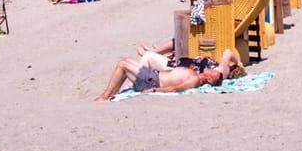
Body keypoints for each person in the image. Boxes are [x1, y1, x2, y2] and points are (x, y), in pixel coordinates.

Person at [96, 54, 228, 100]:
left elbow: (176, 88)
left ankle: (105, 96)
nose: (211, 69)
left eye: (212, 72)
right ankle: (112, 92)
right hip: (153, 76)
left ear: (209, 79)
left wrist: (154, 90)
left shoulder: (194, 80)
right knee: (125, 62)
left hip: (152, 81)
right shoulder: (195, 74)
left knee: (123, 64)